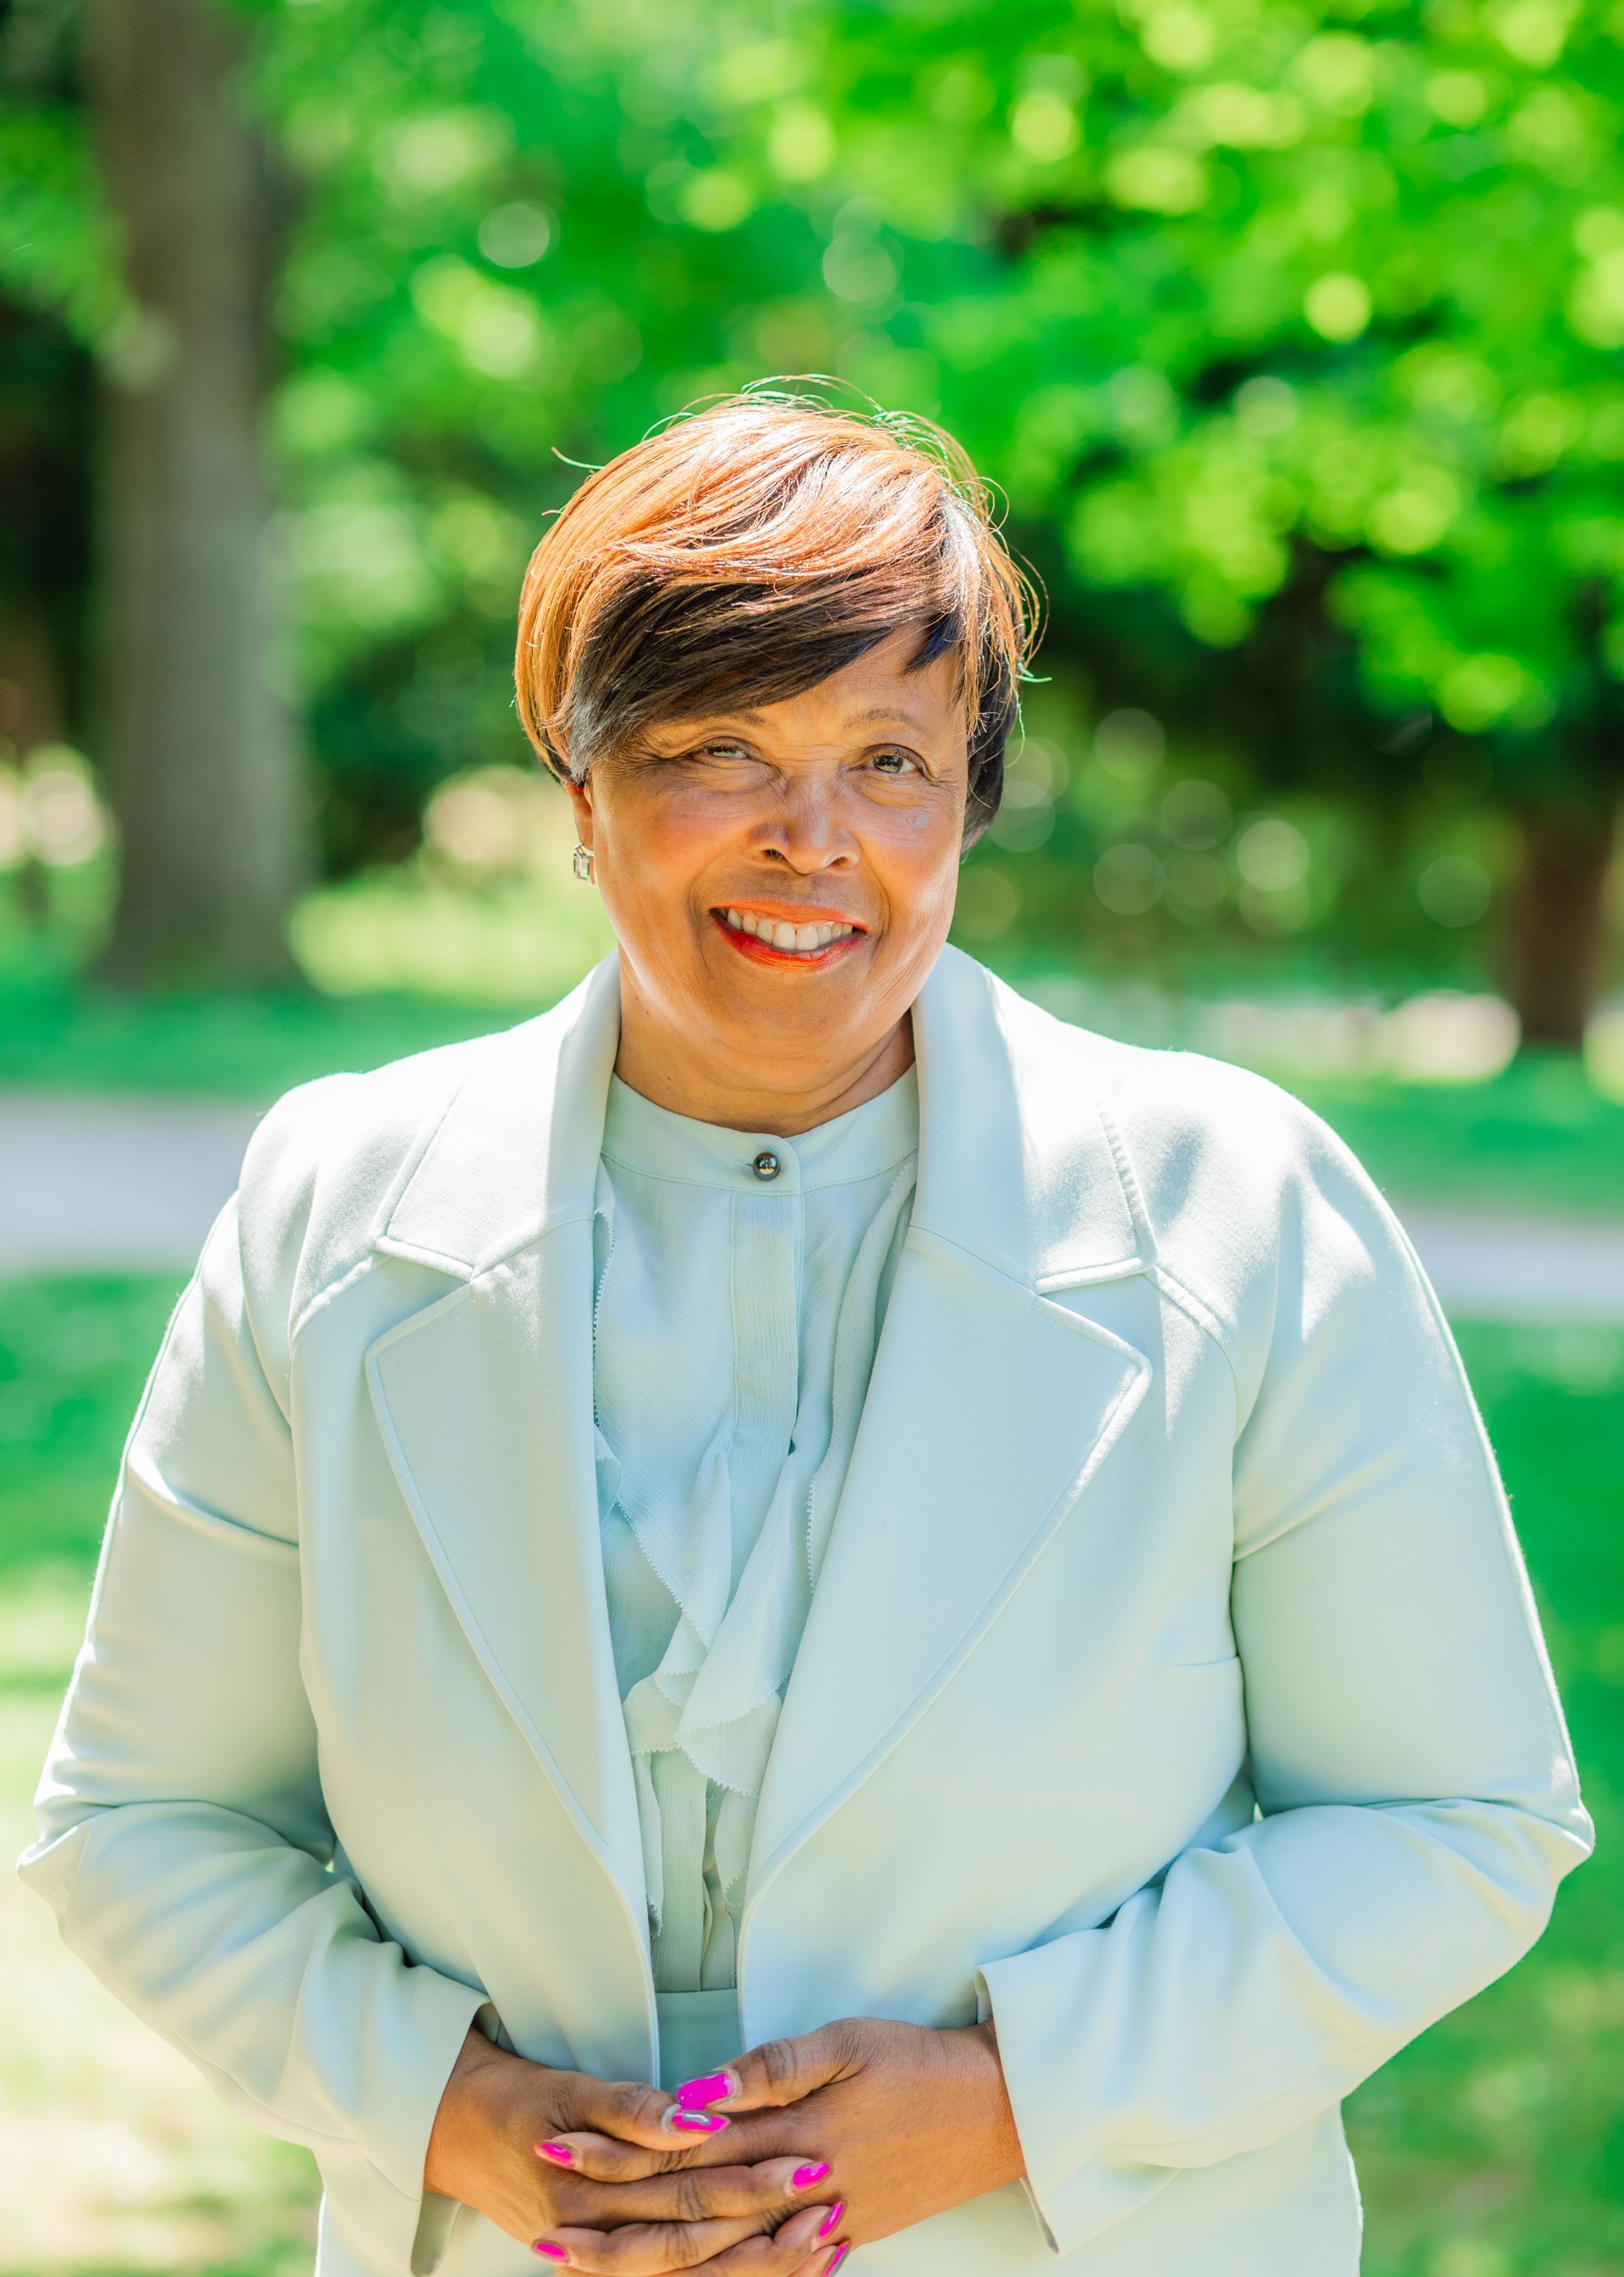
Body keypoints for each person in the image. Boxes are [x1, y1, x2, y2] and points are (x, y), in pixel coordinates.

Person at [19, 392, 1593, 2277]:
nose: (812, 839)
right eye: (721, 750)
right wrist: (447, 2107)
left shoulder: (1233, 1210)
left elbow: (1454, 1814)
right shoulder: (334, 1211)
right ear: (582, 788)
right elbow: (148, 1817)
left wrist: (1017, 2096)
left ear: (969, 805)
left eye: (889, 762)